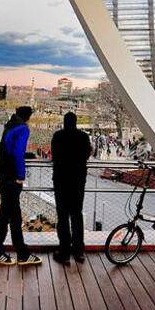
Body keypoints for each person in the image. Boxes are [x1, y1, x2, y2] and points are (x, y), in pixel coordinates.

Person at [0, 106, 42, 266]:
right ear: (28, 117)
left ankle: (14, 252)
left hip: (4, 175)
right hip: (12, 179)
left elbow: (11, 150)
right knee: (10, 217)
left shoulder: (10, 126)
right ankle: (12, 253)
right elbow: (17, 153)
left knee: (9, 216)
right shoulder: (22, 128)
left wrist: (30, 155)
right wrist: (20, 176)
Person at [52, 112, 92, 265]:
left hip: (61, 180)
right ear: (76, 122)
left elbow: (54, 155)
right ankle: (79, 251)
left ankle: (64, 252)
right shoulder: (83, 137)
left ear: (64, 122)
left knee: (62, 217)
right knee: (76, 215)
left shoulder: (58, 136)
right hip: (78, 181)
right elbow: (87, 153)